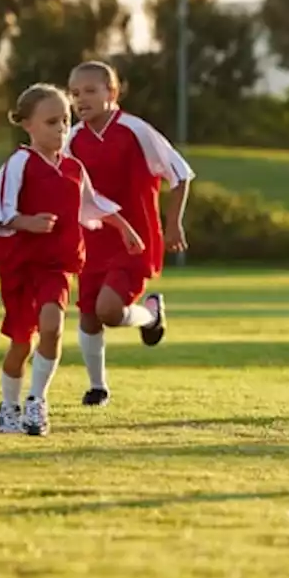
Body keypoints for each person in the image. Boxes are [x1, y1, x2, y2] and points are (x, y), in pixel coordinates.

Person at [0, 83, 145, 436]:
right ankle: (7, 406)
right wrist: (27, 222)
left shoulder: (73, 168)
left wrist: (123, 227)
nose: (60, 129)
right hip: (22, 267)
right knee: (22, 341)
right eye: (51, 122)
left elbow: (93, 203)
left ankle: (36, 402)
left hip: (57, 267)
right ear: (27, 124)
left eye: (65, 121)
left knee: (53, 328)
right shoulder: (19, 163)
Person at [65, 60, 195, 407]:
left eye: (90, 91)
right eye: (75, 93)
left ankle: (150, 315)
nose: (81, 100)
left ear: (112, 93)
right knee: (89, 314)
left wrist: (173, 223)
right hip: (90, 240)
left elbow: (180, 176)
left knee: (108, 310)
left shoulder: (136, 131)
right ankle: (98, 387)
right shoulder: (73, 139)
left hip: (135, 240)